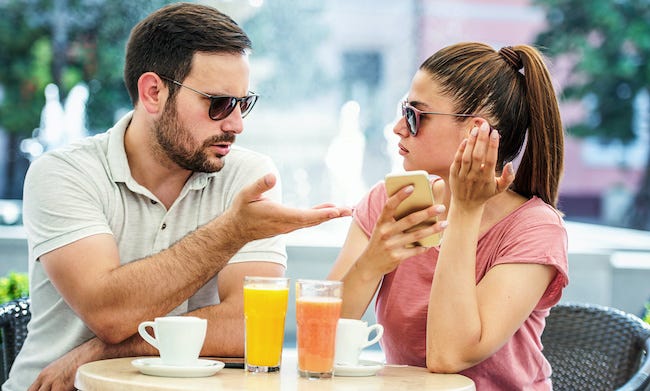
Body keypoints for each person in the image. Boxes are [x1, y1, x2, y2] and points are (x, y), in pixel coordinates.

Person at [4, 3, 350, 391]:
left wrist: (102, 352)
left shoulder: (249, 176)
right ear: (153, 92)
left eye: (243, 103)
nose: (235, 124)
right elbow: (110, 314)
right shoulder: (65, 172)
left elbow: (249, 327)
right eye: (218, 104)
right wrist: (231, 232)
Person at [328, 42, 568, 390]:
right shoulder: (391, 201)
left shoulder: (535, 228)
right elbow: (318, 333)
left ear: (476, 131)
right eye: (403, 110)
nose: (398, 127)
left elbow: (448, 356)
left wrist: (466, 212)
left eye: (415, 115)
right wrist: (372, 262)